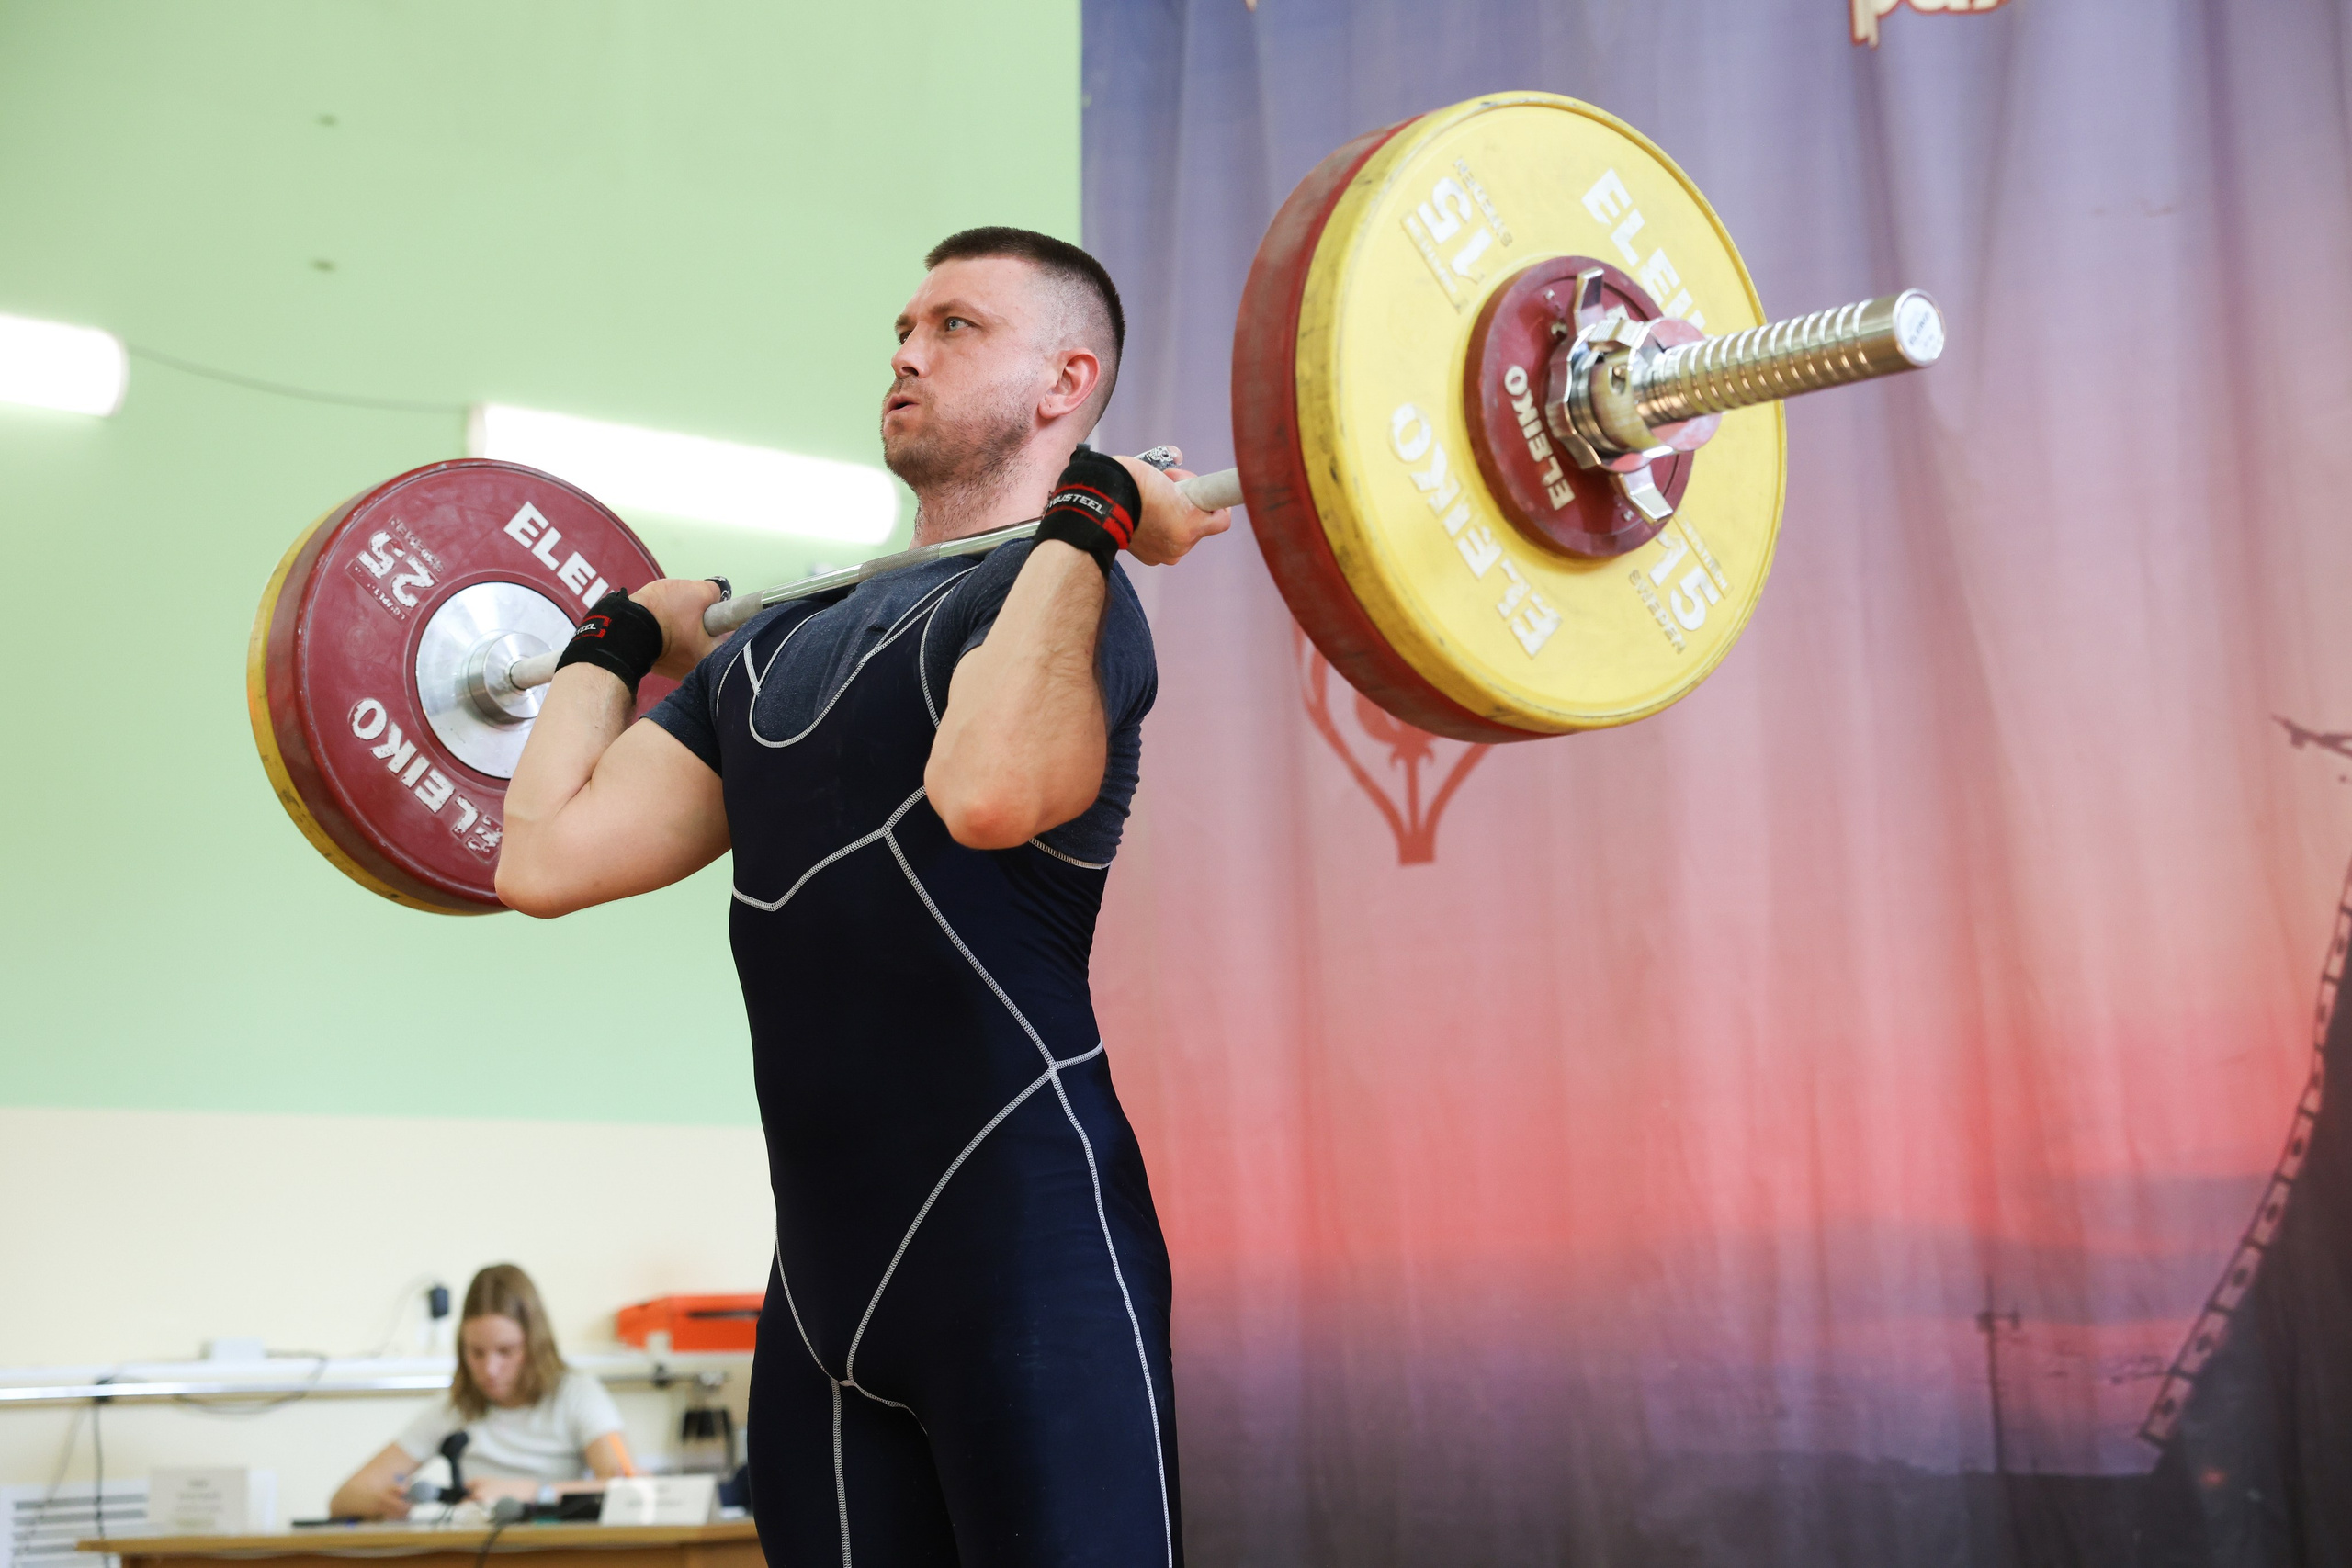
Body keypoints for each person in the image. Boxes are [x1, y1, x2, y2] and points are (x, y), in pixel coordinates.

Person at [494, 226, 1227, 1567]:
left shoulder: (1070, 607)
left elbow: (990, 792)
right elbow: (541, 858)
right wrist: (615, 642)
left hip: (1032, 1265)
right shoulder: (767, 650)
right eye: (903, 324)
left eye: (956, 326)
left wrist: (1088, 521)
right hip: (824, 1297)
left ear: (1067, 379)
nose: (904, 350)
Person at [330, 1264, 637, 1518]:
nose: (489, 1369)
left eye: (506, 1351)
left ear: (534, 1345)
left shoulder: (576, 1394)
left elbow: (630, 1488)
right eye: (476, 1353)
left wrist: (532, 1492)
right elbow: (345, 1498)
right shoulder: (455, 1407)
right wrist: (384, 1504)